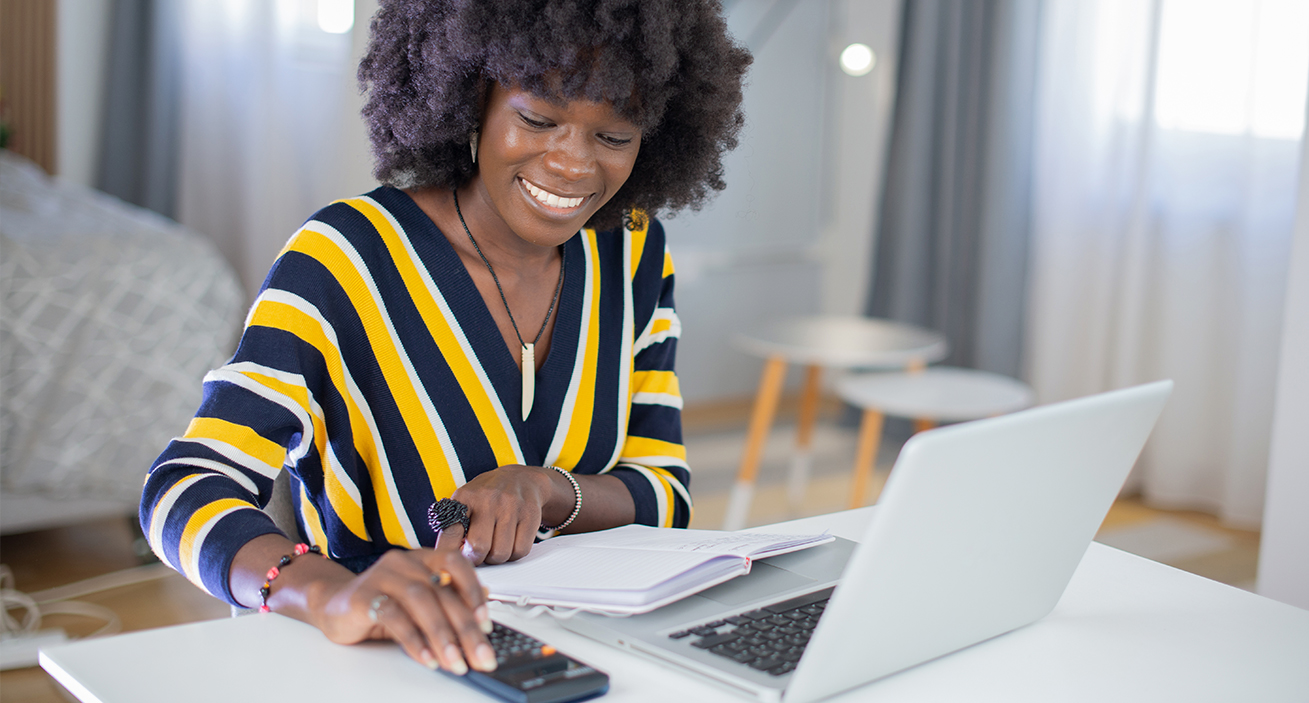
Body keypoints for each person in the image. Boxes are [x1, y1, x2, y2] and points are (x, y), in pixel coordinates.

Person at [140, 0, 750, 678]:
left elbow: (664, 494)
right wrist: (326, 592)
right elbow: (183, 488)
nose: (575, 166)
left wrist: (546, 489)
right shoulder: (346, 260)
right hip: (382, 660)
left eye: (614, 136)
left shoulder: (632, 253)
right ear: (470, 101)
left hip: (580, 657)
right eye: (538, 119)